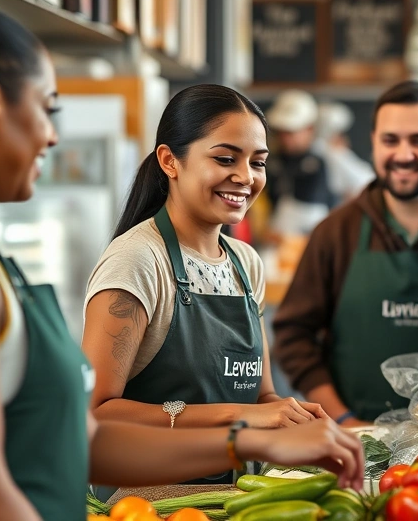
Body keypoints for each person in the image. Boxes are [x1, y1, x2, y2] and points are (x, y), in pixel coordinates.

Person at [0, 0, 362, 520]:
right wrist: (242, 428)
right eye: (48, 109)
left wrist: (252, 438)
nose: (50, 138)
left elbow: (81, 442)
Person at [82, 84, 329, 487]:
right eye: (225, 158)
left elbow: (261, 397)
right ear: (170, 161)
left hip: (232, 497)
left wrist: (295, 416)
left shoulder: (245, 263)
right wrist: (236, 417)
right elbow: (95, 412)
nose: (246, 177)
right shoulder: (139, 260)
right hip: (147, 504)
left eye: (259, 162)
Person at [273, 81, 418, 427]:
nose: (404, 154)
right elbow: (293, 337)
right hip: (356, 444)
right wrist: (345, 420)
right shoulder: (336, 232)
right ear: (374, 144)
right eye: (390, 140)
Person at [264, 89, 336, 236]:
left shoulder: (330, 158)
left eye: (291, 132)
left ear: (309, 128)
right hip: (276, 243)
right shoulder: (272, 161)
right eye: (281, 132)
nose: (285, 139)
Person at [314, 101, 375, 201]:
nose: (344, 138)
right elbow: (365, 182)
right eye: (339, 132)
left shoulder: (334, 151)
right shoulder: (330, 153)